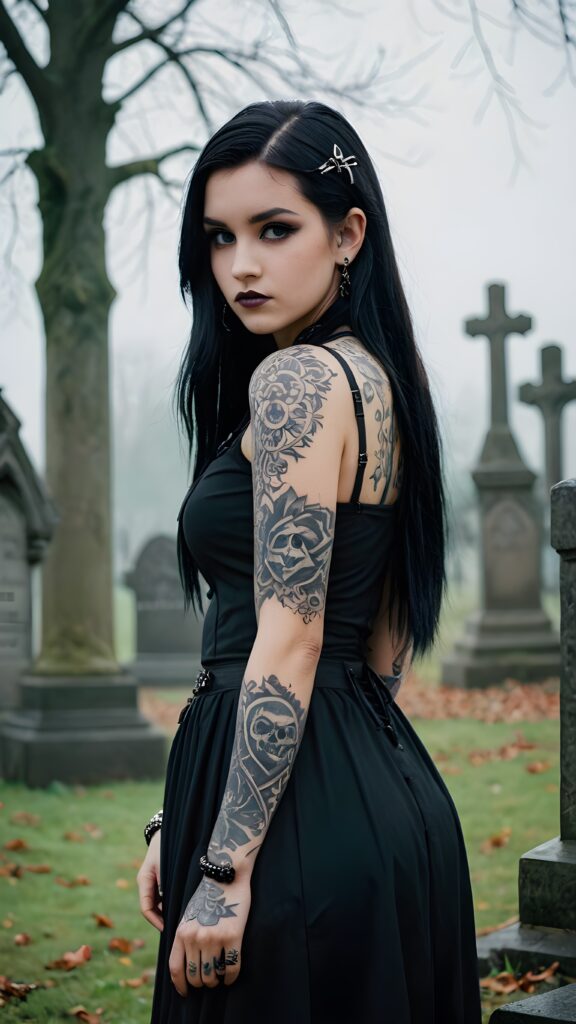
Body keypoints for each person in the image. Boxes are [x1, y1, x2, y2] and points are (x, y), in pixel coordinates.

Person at [137, 99, 483, 1023]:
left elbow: (287, 643)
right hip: (379, 794)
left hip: (287, 841)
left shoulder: (294, 382)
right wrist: (186, 815)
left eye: (274, 228)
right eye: (218, 237)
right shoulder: (384, 384)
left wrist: (223, 861)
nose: (240, 265)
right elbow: (382, 647)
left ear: (347, 233)